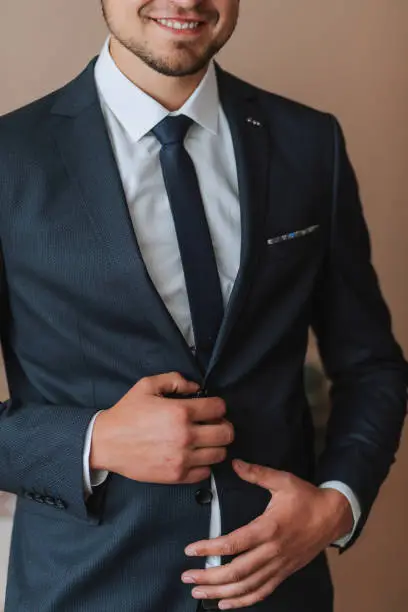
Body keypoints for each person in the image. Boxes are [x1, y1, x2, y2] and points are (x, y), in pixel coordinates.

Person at [0, 1, 406, 610]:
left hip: (282, 593)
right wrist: (96, 440)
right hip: (84, 590)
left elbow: (373, 366)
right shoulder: (9, 157)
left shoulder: (309, 141)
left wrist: (336, 504)